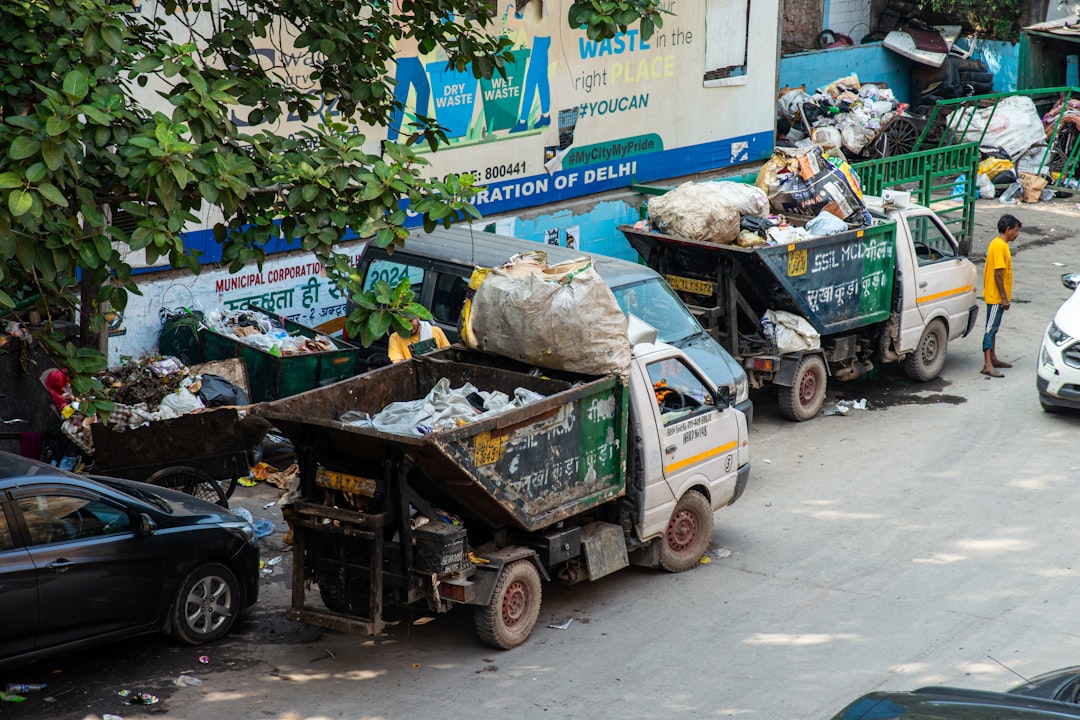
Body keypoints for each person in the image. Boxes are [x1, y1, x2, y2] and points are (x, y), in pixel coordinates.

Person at [981, 213, 1020, 378]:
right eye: (1016, 230)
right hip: (995, 297)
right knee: (990, 329)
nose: (1017, 234)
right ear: (1008, 229)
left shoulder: (1001, 245)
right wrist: (1003, 297)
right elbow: (998, 273)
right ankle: (987, 364)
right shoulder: (999, 246)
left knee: (994, 328)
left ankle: (993, 358)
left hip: (998, 296)